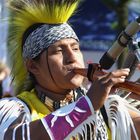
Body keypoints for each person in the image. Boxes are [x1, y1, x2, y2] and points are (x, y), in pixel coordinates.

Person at [0, 0, 140, 139]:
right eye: (59, 51)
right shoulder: (15, 108)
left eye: (75, 48)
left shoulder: (107, 110)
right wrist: (88, 105)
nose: (72, 57)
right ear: (33, 66)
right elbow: (15, 137)